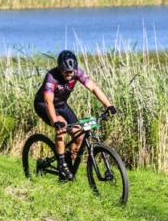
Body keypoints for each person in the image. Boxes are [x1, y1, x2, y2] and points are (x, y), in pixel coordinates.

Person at [34, 50, 117, 181]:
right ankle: (62, 165)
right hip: (43, 105)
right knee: (62, 128)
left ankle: (68, 162)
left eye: (71, 71)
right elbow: (48, 101)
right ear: (60, 68)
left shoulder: (77, 72)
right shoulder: (52, 76)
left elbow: (94, 88)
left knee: (80, 135)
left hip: (61, 105)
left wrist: (109, 105)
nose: (69, 74)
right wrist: (55, 121)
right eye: (65, 71)